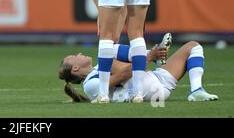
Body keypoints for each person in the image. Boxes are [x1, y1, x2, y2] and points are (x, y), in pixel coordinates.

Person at [58, 34, 219, 103]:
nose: (79, 52)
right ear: (75, 69)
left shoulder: (99, 67)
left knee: (193, 46)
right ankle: (151, 56)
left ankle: (196, 90)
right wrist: (148, 59)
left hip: (156, 78)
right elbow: (121, 76)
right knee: (110, 54)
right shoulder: (89, 85)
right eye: (74, 55)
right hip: (148, 91)